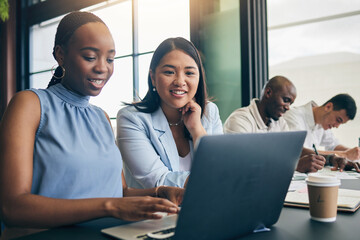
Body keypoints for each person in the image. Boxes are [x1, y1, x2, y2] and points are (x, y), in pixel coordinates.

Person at [0, 11, 183, 239]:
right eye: (90, 57)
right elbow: (13, 208)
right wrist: (110, 207)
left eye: (110, 59)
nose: (102, 68)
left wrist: (159, 193)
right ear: (61, 55)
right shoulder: (29, 104)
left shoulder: (102, 117)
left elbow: (120, 193)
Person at [116, 37, 223, 189]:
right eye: (169, 72)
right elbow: (159, 181)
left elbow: (220, 168)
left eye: (189, 73)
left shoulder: (209, 112)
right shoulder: (131, 118)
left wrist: (196, 129)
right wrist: (213, 179)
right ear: (153, 77)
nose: (180, 81)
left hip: (207, 208)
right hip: (158, 212)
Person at [223, 76, 326, 173]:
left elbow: (292, 149)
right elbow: (243, 163)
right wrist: (294, 166)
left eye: (290, 104)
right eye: (286, 100)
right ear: (268, 92)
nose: (288, 107)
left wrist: (328, 159)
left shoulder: (279, 122)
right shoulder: (240, 120)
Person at [283, 94, 360, 172]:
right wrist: (345, 155)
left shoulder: (322, 122)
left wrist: (354, 152)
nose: (337, 126)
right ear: (328, 107)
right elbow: (300, 151)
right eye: (338, 120)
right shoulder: (293, 116)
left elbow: (333, 145)